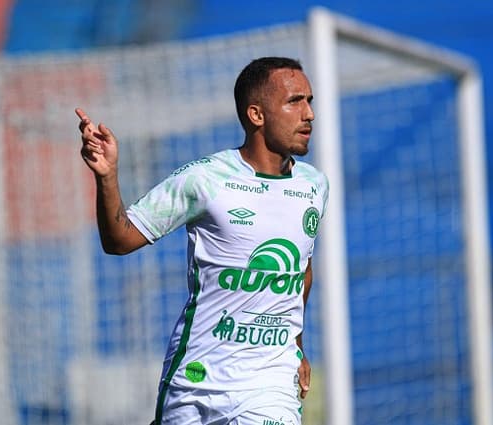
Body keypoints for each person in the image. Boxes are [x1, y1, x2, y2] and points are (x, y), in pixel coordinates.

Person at [76, 56, 329, 425]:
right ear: (256, 115)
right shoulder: (205, 180)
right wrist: (107, 177)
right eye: (295, 102)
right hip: (195, 378)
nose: (308, 114)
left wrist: (297, 345)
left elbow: (301, 269)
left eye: (310, 101)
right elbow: (120, 240)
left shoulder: (314, 186)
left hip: (269, 383)